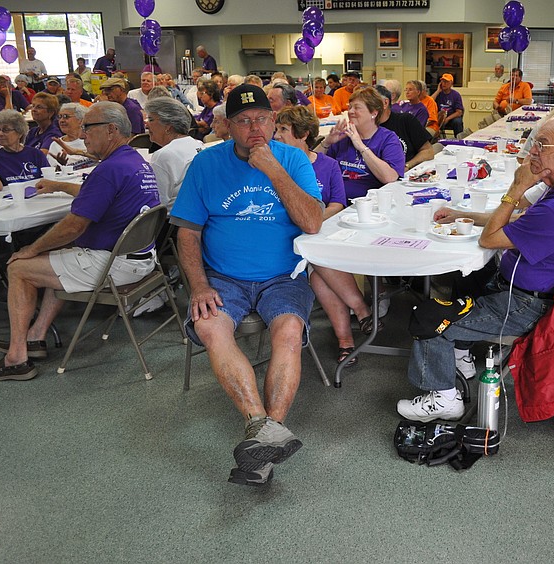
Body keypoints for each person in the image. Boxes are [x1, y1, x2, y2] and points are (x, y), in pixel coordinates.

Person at [396, 115, 554, 422]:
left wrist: (517, 188)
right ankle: (462, 357)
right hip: (543, 289)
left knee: (430, 317)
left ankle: (444, 398)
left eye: (541, 145)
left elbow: (491, 238)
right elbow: (524, 223)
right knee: (466, 275)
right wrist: (461, 214)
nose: (531, 152)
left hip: (525, 304)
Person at [170, 84, 323, 486]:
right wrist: (200, 286)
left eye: (262, 118)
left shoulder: (293, 158)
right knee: (210, 326)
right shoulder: (205, 165)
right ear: (226, 126)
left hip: (283, 276)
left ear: (275, 121)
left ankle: (261, 445)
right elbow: (187, 234)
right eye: (243, 120)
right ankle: (263, 429)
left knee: (288, 331)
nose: (254, 127)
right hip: (222, 278)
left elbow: (312, 222)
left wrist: (273, 169)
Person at [0, 102, 160, 381]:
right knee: (56, 255)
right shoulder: (133, 162)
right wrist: (59, 186)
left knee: (19, 267)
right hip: (140, 257)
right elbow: (99, 194)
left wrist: (30, 249)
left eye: (88, 128)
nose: (83, 134)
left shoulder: (108, 169)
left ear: (111, 130)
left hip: (111, 264)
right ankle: (35, 336)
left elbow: (73, 226)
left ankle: (16, 358)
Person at [275, 105, 381, 366]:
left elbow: (337, 203)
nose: (276, 135)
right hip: (286, 238)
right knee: (318, 258)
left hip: (318, 233)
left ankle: (346, 341)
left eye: (283, 130)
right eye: (276, 129)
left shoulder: (327, 164)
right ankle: (361, 310)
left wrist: (311, 220)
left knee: (318, 269)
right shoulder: (274, 166)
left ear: (303, 134)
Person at [319, 87, 405, 201]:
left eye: (357, 108)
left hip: (367, 205)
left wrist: (361, 146)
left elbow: (390, 177)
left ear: (374, 113)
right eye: (350, 107)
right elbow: (312, 166)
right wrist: (327, 142)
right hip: (335, 200)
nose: (350, 111)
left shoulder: (388, 139)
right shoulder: (342, 137)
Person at [145, 97, 204, 209]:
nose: (147, 125)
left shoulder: (164, 155)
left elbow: (157, 204)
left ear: (168, 127)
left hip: (174, 221)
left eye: (151, 120)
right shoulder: (198, 144)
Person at [375, 84, 434, 172]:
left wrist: (407, 165)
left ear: (385, 103)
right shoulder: (364, 126)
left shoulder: (406, 120)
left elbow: (428, 152)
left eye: (370, 102)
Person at [0, 110, 49, 192]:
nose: (0, 134)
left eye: (6, 130)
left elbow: (48, 179)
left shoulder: (36, 154)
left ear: (19, 132)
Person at [46, 103, 95, 168]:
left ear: (81, 120)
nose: (61, 120)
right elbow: (54, 172)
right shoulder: (56, 145)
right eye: (60, 117)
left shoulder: (93, 139)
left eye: (66, 117)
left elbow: (103, 159)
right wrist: (61, 166)